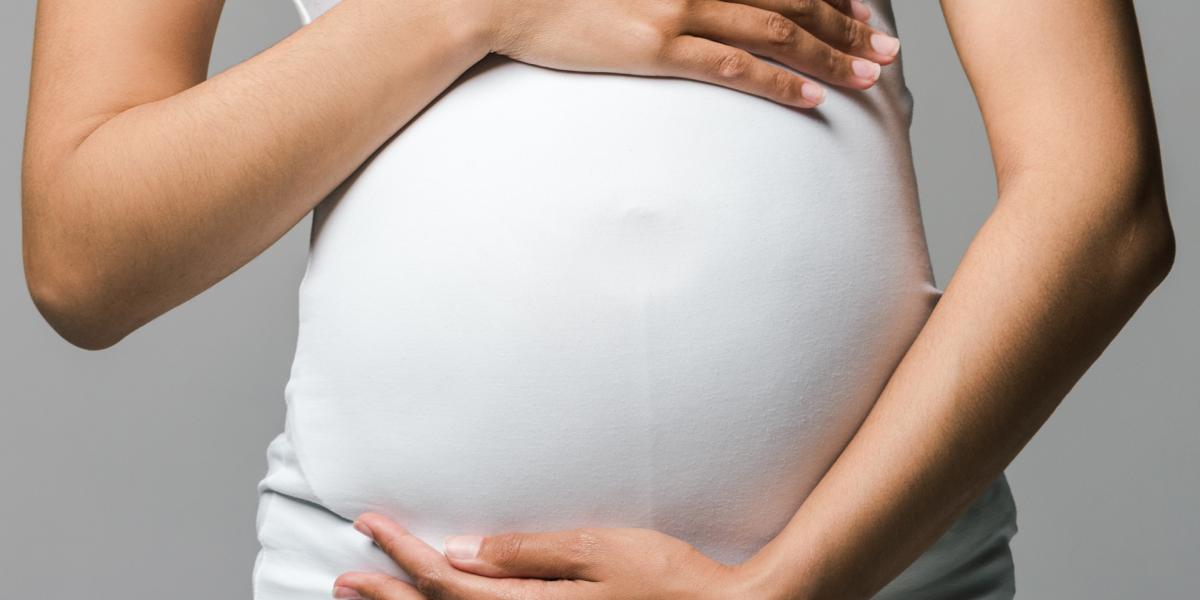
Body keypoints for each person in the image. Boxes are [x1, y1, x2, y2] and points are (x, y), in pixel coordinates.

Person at [21, 0, 1175, 599]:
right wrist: (459, 9)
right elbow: (84, 257)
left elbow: (1102, 201)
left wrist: (789, 589)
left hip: (876, 586)